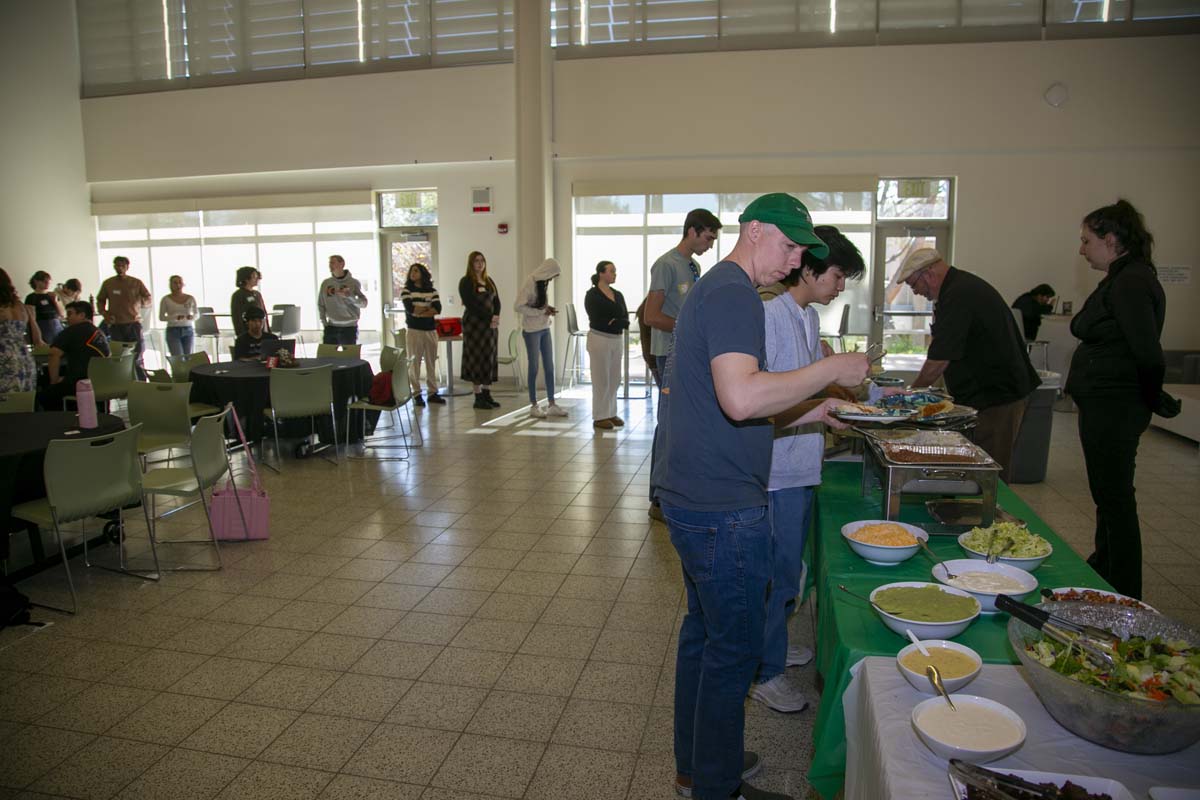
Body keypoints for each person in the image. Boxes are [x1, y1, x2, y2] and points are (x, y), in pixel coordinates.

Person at [659, 193, 870, 800]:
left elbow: (741, 409)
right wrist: (832, 371)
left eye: (803, 251)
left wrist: (813, 408)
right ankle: (716, 787)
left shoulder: (724, 290)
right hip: (722, 507)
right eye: (788, 245)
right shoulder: (732, 293)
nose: (793, 259)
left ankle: (697, 767)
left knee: (705, 638)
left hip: (695, 495)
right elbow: (743, 399)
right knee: (734, 652)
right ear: (753, 230)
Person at [750, 225, 866, 714]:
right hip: (776, 469)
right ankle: (764, 670)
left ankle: (772, 647)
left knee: (790, 567)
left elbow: (805, 389)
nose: (840, 286)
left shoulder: (805, 318)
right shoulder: (770, 314)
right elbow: (767, 398)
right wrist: (822, 400)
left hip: (800, 463)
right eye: (838, 275)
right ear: (810, 266)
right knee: (774, 573)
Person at [1067, 199, 1165, 600]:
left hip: (1115, 406)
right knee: (1107, 495)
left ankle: (1123, 589)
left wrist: (1153, 398)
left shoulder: (1131, 282)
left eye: (1087, 240)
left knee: (1115, 498)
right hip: (1107, 404)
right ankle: (1105, 567)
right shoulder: (1122, 278)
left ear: (1111, 239)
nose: (1082, 249)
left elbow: (1147, 351)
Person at [898, 248, 1039, 482]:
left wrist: (909, 396)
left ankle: (990, 516)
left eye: (915, 285)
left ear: (929, 274)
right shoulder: (958, 288)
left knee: (989, 471)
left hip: (998, 397)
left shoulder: (959, 294)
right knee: (977, 467)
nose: (917, 292)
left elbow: (938, 361)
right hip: (988, 394)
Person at [645, 208, 723, 520]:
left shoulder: (693, 266)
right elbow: (651, 316)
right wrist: (686, 326)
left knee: (681, 425)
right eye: (708, 236)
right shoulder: (666, 265)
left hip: (687, 354)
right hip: (668, 355)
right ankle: (658, 499)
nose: (710, 243)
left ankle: (676, 491)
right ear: (692, 231)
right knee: (668, 426)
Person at [515, 258, 567, 419]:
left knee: (549, 366)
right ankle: (534, 405)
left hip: (544, 328)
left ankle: (552, 404)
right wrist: (540, 312)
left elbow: (537, 304)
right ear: (547, 271)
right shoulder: (529, 282)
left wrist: (547, 309)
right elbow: (518, 306)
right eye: (552, 275)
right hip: (531, 331)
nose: (552, 279)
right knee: (534, 367)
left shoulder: (542, 283)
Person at [37, 300, 109, 411]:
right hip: (102, 382)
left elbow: (53, 354)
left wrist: (54, 381)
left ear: (82, 315)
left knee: (43, 395)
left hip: (80, 383)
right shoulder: (99, 332)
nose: (67, 318)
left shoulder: (72, 331)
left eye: (70, 314)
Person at [584, 260, 629, 430]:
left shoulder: (618, 294)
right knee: (601, 378)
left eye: (615, 271)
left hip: (616, 339)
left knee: (615, 378)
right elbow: (596, 319)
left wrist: (614, 322)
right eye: (611, 271)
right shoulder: (592, 295)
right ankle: (599, 416)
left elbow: (624, 317)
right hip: (599, 339)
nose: (614, 274)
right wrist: (613, 321)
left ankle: (610, 412)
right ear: (601, 273)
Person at [96, 256, 151, 380]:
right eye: (117, 265)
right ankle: (123, 382)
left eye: (122, 265)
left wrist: (141, 304)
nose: (119, 268)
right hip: (116, 325)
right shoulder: (108, 283)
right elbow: (100, 300)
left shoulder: (136, 282)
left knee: (138, 353)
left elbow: (147, 297)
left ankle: (141, 382)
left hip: (133, 323)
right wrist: (104, 313)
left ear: (127, 267)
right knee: (119, 355)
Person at [459, 251, 502, 410]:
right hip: (474, 326)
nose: (480, 263)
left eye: (482, 260)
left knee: (488, 357)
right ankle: (477, 397)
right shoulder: (465, 282)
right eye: (476, 261)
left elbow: (497, 301)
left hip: (490, 327)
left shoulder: (489, 280)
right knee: (476, 359)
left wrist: (496, 316)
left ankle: (486, 393)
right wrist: (489, 317)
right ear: (471, 263)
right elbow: (471, 305)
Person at [400, 262, 445, 406]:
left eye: (416, 271)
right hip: (414, 331)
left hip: (430, 331)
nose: (413, 274)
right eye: (411, 271)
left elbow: (437, 309)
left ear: (422, 273)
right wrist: (426, 309)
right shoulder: (407, 290)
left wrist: (421, 311)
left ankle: (433, 392)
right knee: (415, 363)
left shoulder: (432, 291)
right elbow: (411, 309)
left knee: (431, 362)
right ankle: (416, 393)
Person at [1, 268, 41, 393]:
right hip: (23, 357)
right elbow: (37, 338)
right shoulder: (20, 306)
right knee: (23, 404)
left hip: (4, 359)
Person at [318, 254, 368, 345]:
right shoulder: (326, 284)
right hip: (331, 327)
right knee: (327, 357)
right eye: (329, 263)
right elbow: (320, 304)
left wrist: (350, 297)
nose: (330, 266)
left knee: (349, 358)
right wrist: (324, 323)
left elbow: (364, 304)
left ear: (342, 264)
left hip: (349, 328)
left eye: (333, 263)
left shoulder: (353, 283)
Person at [158, 275, 198, 357]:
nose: (178, 285)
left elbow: (197, 314)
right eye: (175, 283)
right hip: (173, 330)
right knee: (178, 357)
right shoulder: (165, 299)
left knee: (188, 357)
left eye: (180, 282)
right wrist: (175, 317)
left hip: (188, 329)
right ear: (170, 285)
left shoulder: (190, 298)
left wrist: (192, 317)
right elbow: (161, 317)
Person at [25, 270, 65, 343]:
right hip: (42, 326)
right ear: (36, 281)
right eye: (44, 281)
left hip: (56, 325)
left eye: (48, 282)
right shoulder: (31, 297)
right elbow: (31, 318)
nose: (47, 284)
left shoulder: (53, 295)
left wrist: (55, 301)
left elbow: (62, 314)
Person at [231, 266, 267, 338]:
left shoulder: (257, 294)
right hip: (248, 333)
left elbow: (264, 312)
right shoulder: (238, 295)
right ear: (246, 279)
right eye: (254, 276)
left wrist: (267, 330)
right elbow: (237, 317)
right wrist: (241, 335)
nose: (257, 279)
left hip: (261, 332)